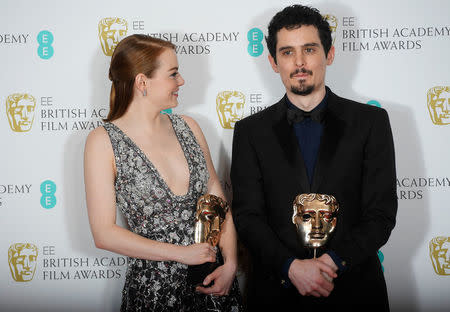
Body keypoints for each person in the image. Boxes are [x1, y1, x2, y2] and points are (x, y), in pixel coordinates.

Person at [230, 5, 397, 310]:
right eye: (287, 52)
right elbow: (247, 217)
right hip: (276, 293)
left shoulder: (371, 122)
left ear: (329, 54)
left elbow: (381, 214)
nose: (299, 62)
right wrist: (292, 267)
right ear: (272, 61)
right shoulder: (249, 131)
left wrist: (332, 263)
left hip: (355, 291)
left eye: (309, 49)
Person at [84, 34, 242, 311]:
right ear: (142, 82)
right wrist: (182, 254)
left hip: (214, 284)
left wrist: (230, 264)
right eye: (173, 74)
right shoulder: (103, 141)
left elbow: (218, 202)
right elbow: (104, 233)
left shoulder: (189, 127)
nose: (181, 81)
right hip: (153, 290)